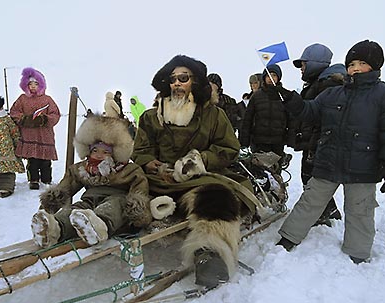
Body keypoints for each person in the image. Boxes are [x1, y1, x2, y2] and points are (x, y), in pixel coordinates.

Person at [132, 55, 259, 288]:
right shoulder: (150, 117)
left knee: (216, 198)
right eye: (172, 79)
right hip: (159, 179)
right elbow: (140, 151)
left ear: (195, 83)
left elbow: (229, 148)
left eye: (183, 78)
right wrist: (154, 164)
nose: (177, 83)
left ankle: (209, 254)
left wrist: (199, 161)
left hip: (199, 179)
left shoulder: (214, 115)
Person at [273, 40, 385, 264]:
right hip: (328, 160)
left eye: (362, 63)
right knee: (310, 201)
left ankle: (357, 252)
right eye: (351, 64)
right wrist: (290, 98)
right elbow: (310, 111)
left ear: (376, 66)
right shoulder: (334, 94)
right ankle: (289, 237)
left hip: (363, 165)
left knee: (360, 209)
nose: (355, 68)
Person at [31, 114, 152, 248]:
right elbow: (66, 186)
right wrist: (50, 204)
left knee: (114, 205)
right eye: (95, 150)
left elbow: (139, 190)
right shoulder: (83, 168)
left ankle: (99, 226)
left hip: (118, 204)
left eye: (106, 152)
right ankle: (54, 229)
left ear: (116, 153)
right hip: (90, 201)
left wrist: (138, 211)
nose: (99, 155)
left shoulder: (129, 170)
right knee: (76, 209)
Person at [286, 43, 344, 226]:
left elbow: (325, 118)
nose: (301, 68)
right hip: (313, 143)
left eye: (303, 64)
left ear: (315, 62)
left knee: (313, 180)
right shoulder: (317, 84)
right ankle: (329, 211)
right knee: (311, 177)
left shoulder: (327, 85)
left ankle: (321, 214)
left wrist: (317, 143)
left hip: (320, 144)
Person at [10, 67, 61, 190]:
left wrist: (44, 119)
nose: (33, 86)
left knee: (45, 161)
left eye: (36, 83)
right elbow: (14, 112)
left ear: (42, 85)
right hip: (29, 134)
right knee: (32, 161)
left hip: (45, 135)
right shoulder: (22, 99)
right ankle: (33, 180)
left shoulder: (47, 99)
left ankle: (46, 179)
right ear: (25, 85)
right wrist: (24, 119)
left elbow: (55, 114)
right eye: (30, 84)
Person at [239, 64, 288, 173]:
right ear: (264, 78)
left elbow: (291, 120)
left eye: (274, 75)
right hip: (259, 143)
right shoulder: (256, 97)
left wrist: (290, 138)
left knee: (275, 175)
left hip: (277, 143)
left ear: (279, 77)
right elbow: (247, 120)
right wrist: (243, 142)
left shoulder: (284, 96)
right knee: (260, 175)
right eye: (268, 75)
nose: (271, 78)